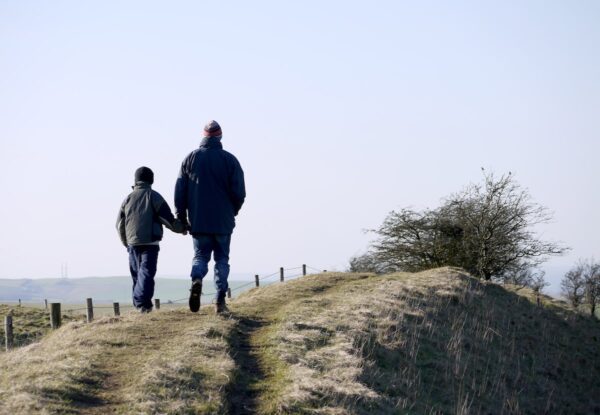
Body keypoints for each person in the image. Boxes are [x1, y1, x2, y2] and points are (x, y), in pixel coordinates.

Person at [175, 120, 246, 313]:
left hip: (199, 220)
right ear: (220, 137)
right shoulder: (230, 160)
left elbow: (180, 191)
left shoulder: (190, 158)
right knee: (222, 259)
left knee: (200, 256)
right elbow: (239, 192)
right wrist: (233, 211)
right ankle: (219, 300)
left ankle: (197, 279)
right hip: (223, 221)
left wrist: (181, 217)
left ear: (203, 137)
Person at [117, 166, 184, 312]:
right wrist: (182, 229)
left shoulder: (127, 199)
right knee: (146, 274)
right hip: (150, 242)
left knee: (137, 275)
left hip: (132, 243)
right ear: (151, 180)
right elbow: (168, 219)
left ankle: (140, 306)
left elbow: (119, 224)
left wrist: (126, 243)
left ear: (136, 180)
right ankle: (143, 305)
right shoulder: (154, 196)